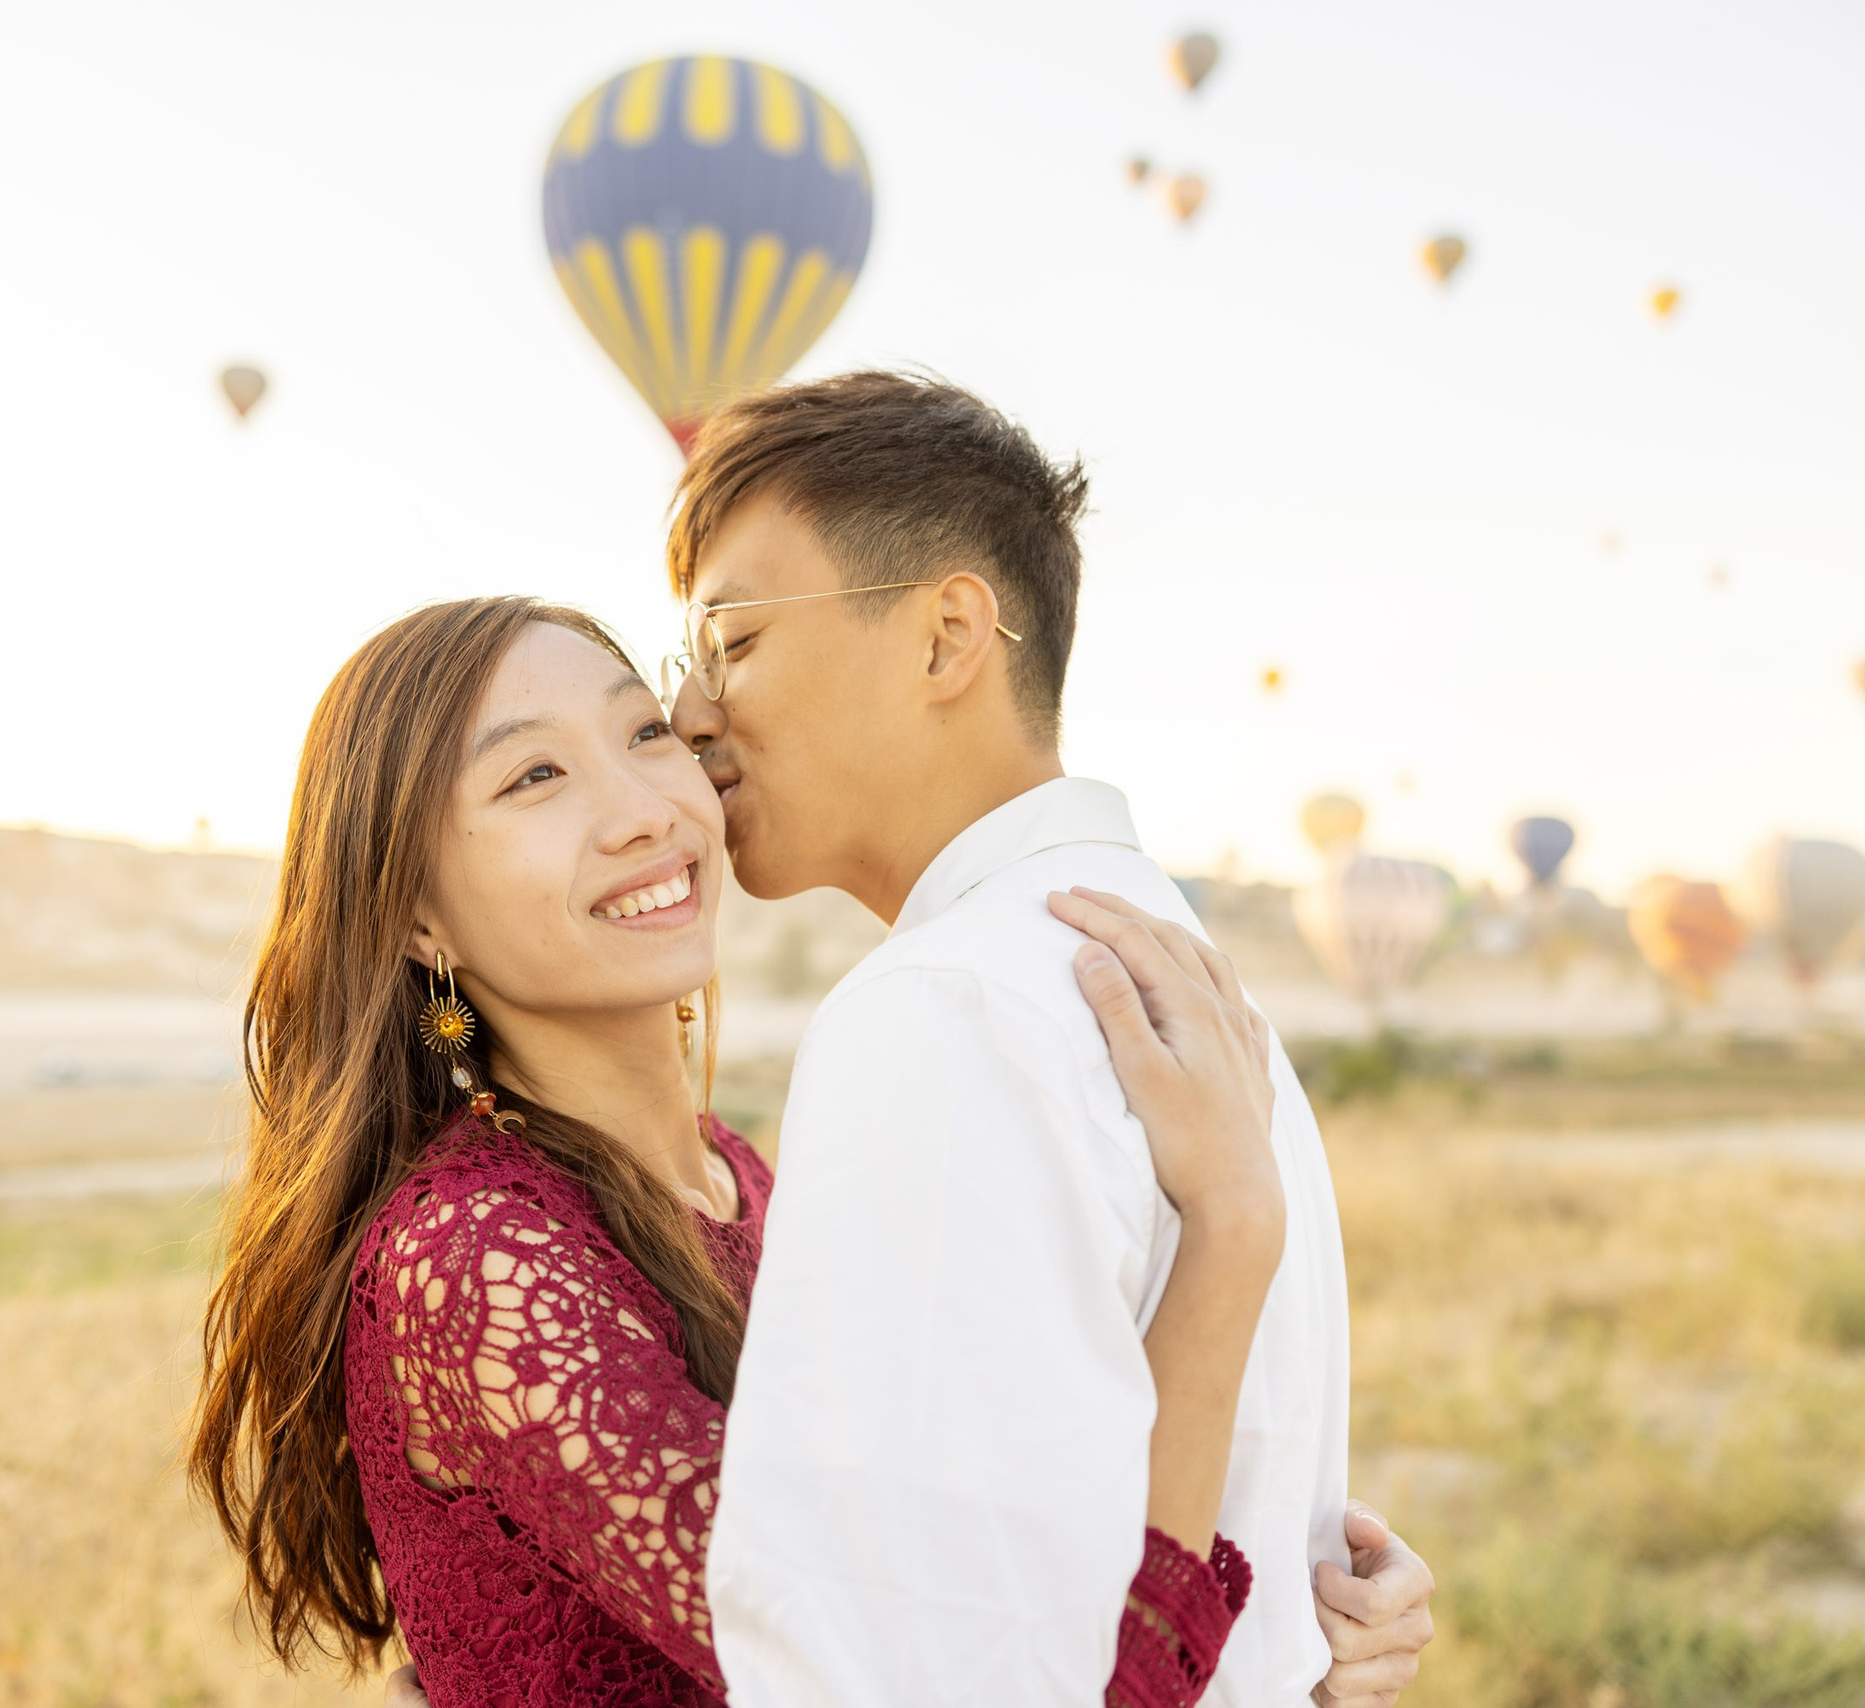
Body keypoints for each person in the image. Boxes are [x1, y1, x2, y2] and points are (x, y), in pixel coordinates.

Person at [187, 597, 1331, 1708]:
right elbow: (923, 1676)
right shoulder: (476, 1256)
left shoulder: (737, 1172)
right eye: (534, 775)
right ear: (416, 917)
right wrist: (1229, 1226)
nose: (643, 808)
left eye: (646, 733)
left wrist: (1303, 1617)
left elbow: (984, 1545)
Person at [660, 372, 1434, 1707]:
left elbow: (910, 1654)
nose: (689, 716)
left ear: (947, 638)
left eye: (732, 639)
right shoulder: (1198, 1004)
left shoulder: (946, 1007)